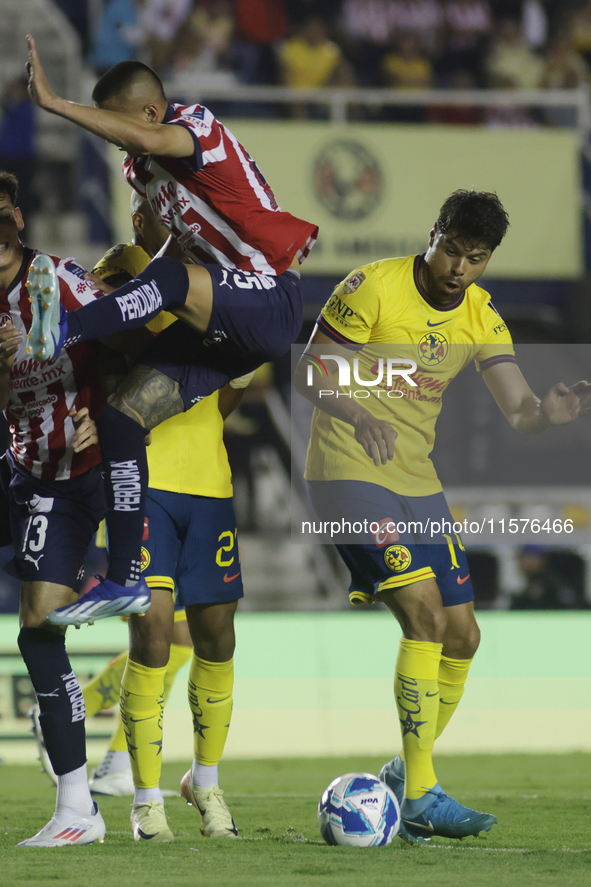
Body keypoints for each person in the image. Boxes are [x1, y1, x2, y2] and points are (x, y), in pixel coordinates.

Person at [294, 189, 591, 842]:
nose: (458, 268)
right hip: (347, 469)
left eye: (475, 258)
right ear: (432, 235)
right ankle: (425, 790)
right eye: (451, 249)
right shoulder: (371, 285)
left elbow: (518, 409)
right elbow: (312, 372)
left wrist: (548, 414)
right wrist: (358, 411)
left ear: (487, 261)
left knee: (462, 636)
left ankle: (404, 775)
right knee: (424, 614)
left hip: (415, 482)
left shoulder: (479, 315)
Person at [25, 37, 318, 628]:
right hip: (225, 327)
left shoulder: (195, 126)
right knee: (120, 418)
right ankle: (127, 577)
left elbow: (151, 145)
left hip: (270, 299)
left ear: (151, 112)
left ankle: (59, 333)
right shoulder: (143, 172)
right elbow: (175, 233)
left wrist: (55, 104)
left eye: (117, 124)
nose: (114, 139)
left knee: (174, 281)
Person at [87, 194, 248, 841]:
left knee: (215, 640)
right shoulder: (118, 297)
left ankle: (204, 784)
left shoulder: (211, 295)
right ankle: (145, 798)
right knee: (151, 637)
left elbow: (235, 383)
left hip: (208, 488)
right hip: (141, 487)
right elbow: (113, 346)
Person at [0, 171, 136, 847]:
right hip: (20, 464)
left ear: (16, 219)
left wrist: (98, 413)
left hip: (71, 470)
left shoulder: (60, 280)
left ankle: (78, 806)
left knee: (37, 622)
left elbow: (126, 343)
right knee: (38, 627)